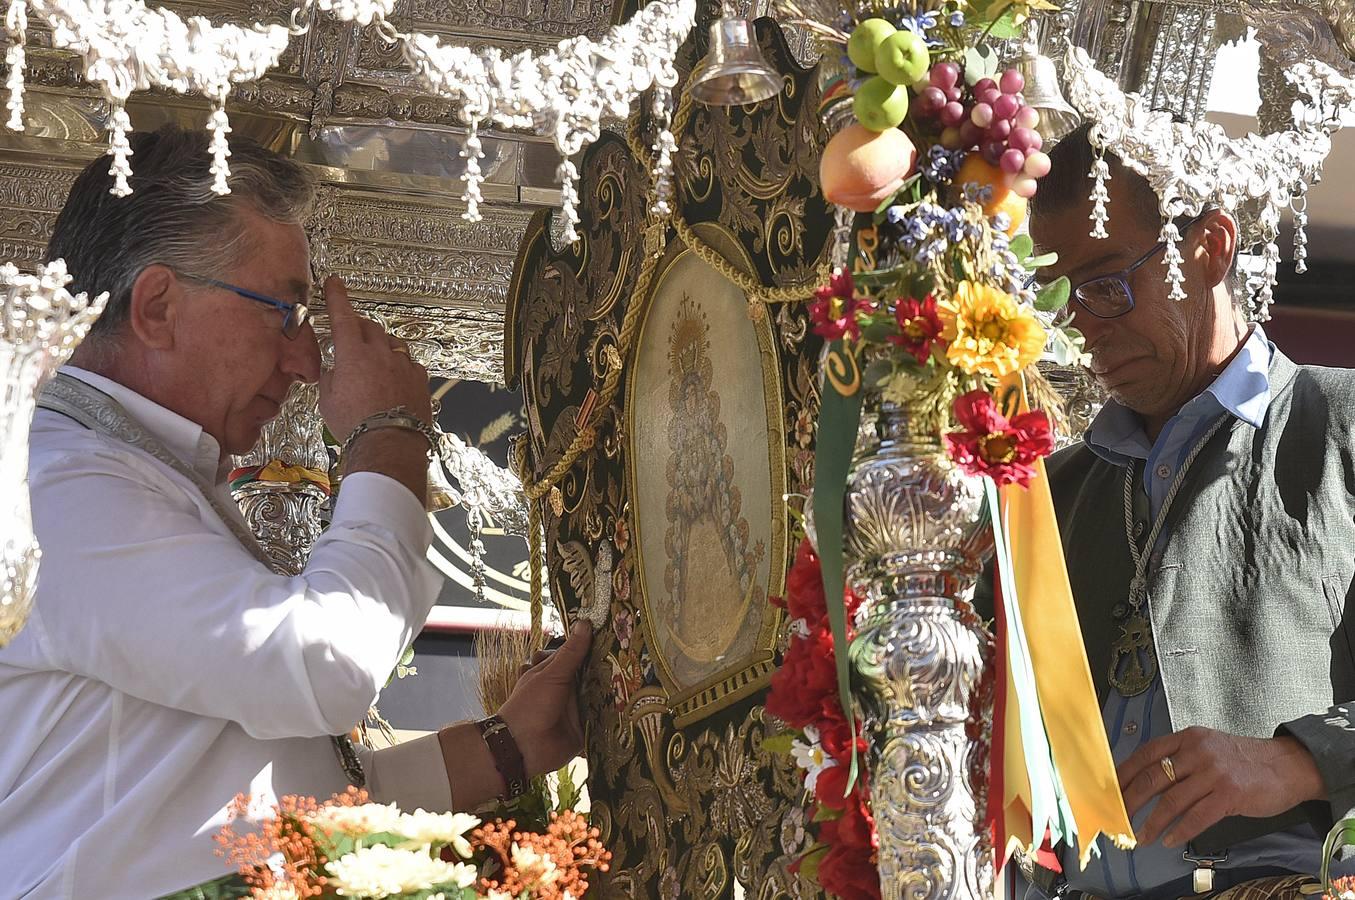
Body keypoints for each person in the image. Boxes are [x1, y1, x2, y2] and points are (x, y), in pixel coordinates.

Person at [0, 124, 591, 899]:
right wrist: (387, 435)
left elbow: (262, 811)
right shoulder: (59, 483)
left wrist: (510, 746)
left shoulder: (115, 471)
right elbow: (326, 666)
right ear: (156, 307)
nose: (306, 361)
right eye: (282, 313)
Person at [1008, 122, 1355, 897]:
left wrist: (1297, 760)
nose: (1084, 326)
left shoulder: (1341, 423)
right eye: (1061, 298)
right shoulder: (1053, 490)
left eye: (1105, 283)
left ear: (1210, 247)